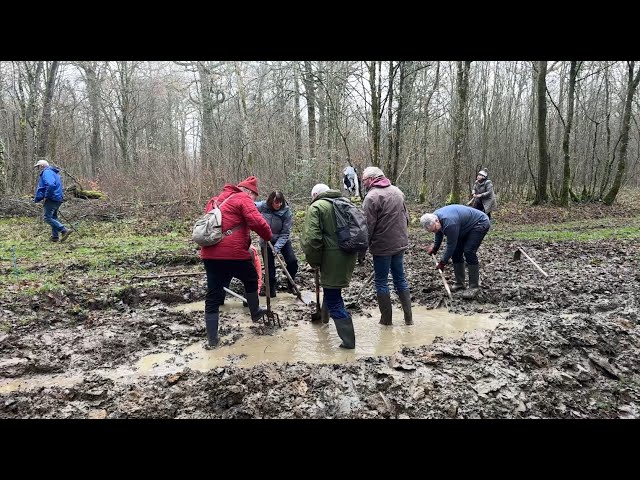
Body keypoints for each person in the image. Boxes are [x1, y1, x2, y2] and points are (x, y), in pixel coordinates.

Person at [200, 175, 273, 348]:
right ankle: (255, 312)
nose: (254, 200)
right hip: (233, 253)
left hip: (210, 254)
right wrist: (268, 236)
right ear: (249, 191)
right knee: (250, 277)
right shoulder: (242, 198)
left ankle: (212, 339)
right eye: (254, 197)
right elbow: (257, 222)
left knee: (213, 294)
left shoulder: (215, 201)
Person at [300, 183, 357, 349]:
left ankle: (348, 343)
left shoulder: (316, 207)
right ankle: (324, 322)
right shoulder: (345, 202)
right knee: (332, 290)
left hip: (331, 257)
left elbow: (312, 239)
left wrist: (315, 261)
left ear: (316, 194)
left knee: (334, 300)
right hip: (348, 255)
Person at [361, 166, 412, 326]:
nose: (363, 183)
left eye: (364, 180)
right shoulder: (397, 191)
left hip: (382, 246)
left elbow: (367, 226)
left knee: (381, 282)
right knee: (400, 279)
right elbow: (407, 217)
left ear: (371, 179)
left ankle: (386, 320)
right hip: (400, 243)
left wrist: (362, 250)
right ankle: (409, 319)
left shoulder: (371, 197)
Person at [421, 205, 490, 299]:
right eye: (433, 231)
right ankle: (460, 283)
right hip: (463, 227)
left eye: (435, 229)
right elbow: (439, 233)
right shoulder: (435, 217)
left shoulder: (449, 223)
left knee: (469, 251)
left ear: (436, 221)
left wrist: (442, 262)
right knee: (456, 253)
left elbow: (451, 245)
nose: (435, 231)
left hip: (480, 223)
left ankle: (474, 287)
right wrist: (435, 248)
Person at [255, 190, 298, 298]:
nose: (278, 205)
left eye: (280, 202)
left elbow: (285, 233)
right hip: (266, 240)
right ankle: (270, 290)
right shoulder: (263, 206)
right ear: (270, 201)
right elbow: (249, 206)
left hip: (282, 239)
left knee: (292, 261)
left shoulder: (286, 212)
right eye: (275, 202)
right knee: (269, 268)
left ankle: (290, 284)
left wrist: (276, 248)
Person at [33, 159, 72, 242]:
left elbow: (50, 184)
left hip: (52, 197)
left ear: (42, 166)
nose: (38, 169)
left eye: (38, 166)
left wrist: (47, 196)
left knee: (47, 217)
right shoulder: (53, 172)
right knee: (53, 217)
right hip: (58, 197)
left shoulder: (47, 172)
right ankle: (55, 237)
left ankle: (64, 230)